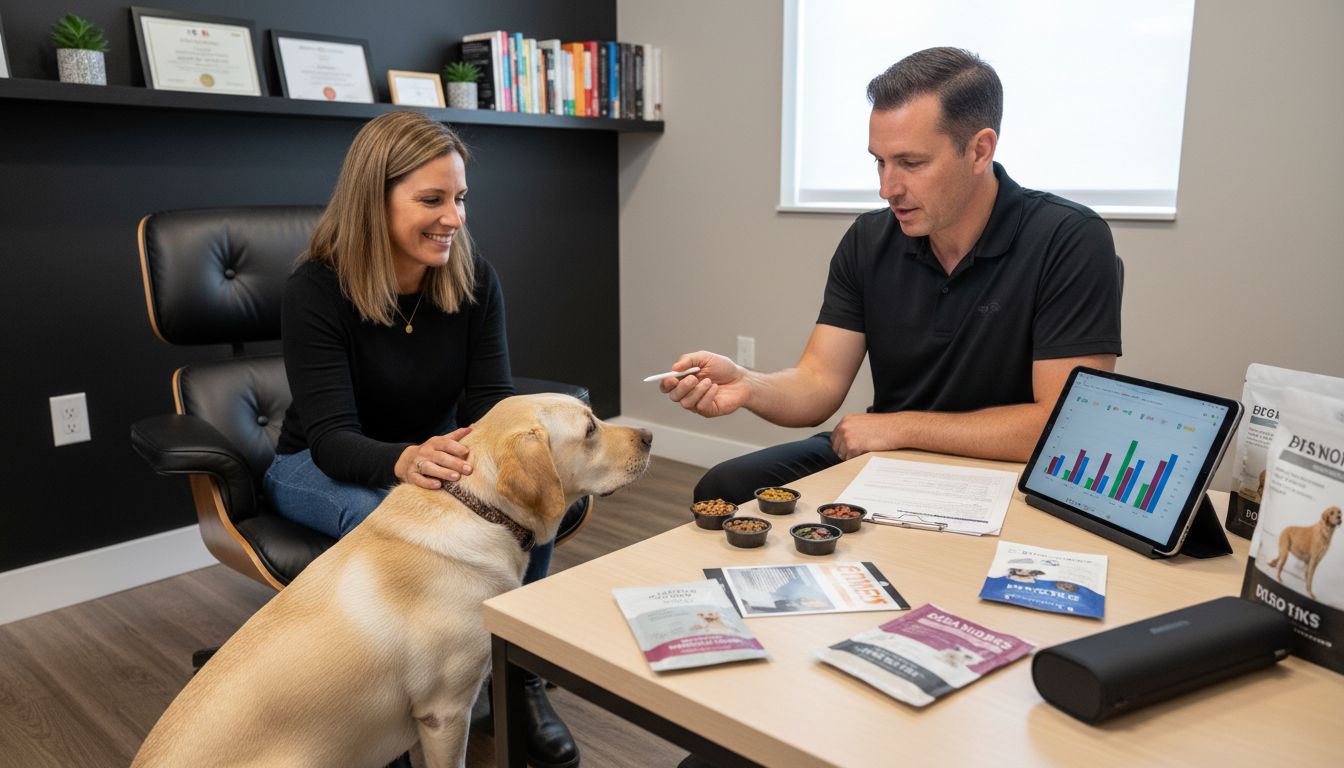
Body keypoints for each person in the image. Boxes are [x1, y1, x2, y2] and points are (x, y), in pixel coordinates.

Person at [662, 47, 1122, 507]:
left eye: (912, 163)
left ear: (979, 150)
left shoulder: (1070, 238)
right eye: (879, 161)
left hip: (1004, 473)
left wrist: (900, 426)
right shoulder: (869, 239)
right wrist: (747, 384)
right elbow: (819, 383)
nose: (888, 189)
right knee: (724, 487)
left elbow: (1063, 426)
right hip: (885, 454)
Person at [263, 110, 578, 768]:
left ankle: (519, 681)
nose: (453, 218)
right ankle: (396, 711)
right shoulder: (316, 288)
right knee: (391, 522)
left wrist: (513, 453)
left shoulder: (473, 278)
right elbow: (330, 438)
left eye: (460, 198)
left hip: (428, 454)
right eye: (432, 200)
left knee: (532, 500)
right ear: (373, 199)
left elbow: (491, 400)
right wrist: (404, 459)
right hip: (319, 464)